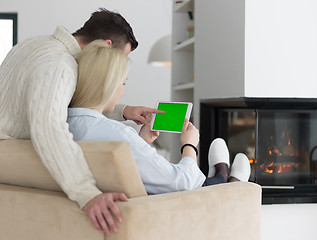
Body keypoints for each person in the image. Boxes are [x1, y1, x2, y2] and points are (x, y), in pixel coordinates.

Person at [0, 8, 164, 236]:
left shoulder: (33, 45)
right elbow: (49, 128)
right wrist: (87, 192)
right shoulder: (61, 65)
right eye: (121, 58)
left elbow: (48, 103)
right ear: (107, 46)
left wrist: (123, 111)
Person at [67, 40, 252, 225]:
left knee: (204, 178)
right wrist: (189, 145)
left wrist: (141, 141)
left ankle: (221, 174)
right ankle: (228, 179)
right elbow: (183, 182)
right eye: (123, 84)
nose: (122, 92)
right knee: (202, 183)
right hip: (160, 207)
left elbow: (114, 166)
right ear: (108, 86)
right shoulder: (119, 134)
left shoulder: (64, 126)